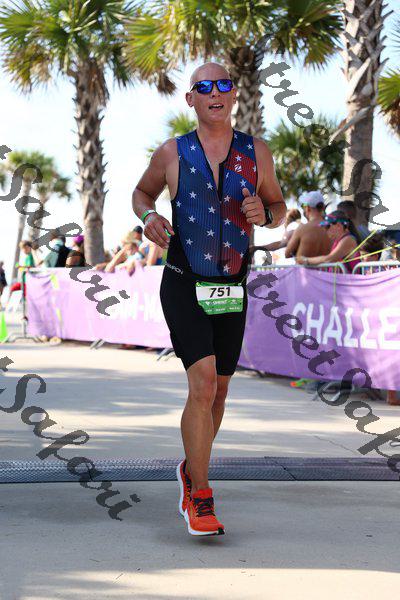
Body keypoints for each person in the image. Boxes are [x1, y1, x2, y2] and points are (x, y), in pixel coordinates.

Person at [132, 61, 286, 536]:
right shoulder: (172, 152)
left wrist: (267, 214)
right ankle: (199, 494)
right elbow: (141, 193)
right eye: (204, 87)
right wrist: (149, 217)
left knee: (219, 390)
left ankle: (190, 467)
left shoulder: (256, 152)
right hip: (184, 280)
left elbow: (279, 206)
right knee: (201, 385)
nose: (215, 93)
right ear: (191, 99)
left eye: (223, 85)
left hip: (232, 285)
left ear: (234, 94)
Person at [296, 210, 362, 273]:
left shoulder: (348, 239)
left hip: (349, 280)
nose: (325, 230)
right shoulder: (338, 241)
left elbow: (328, 259)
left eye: (327, 227)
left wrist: (305, 260)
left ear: (338, 226)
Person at [285, 191, 331, 260]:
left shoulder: (302, 228)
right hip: (329, 267)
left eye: (303, 206)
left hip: (304, 267)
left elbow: (287, 253)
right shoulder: (332, 226)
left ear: (308, 208)